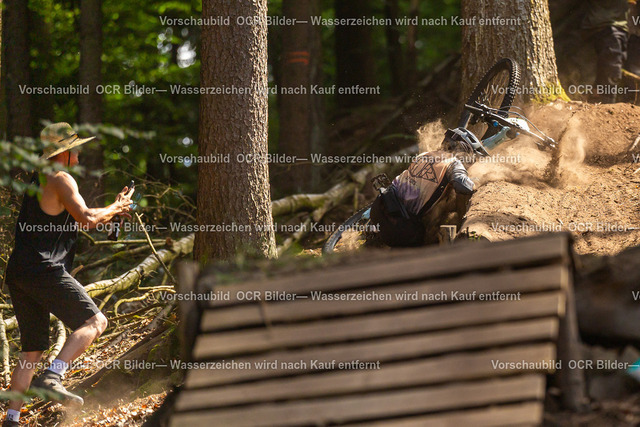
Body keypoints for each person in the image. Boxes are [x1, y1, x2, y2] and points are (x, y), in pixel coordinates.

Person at [2, 123, 134, 427]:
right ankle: (53, 375)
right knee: (96, 322)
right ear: (63, 153)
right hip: (43, 269)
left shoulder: (40, 179)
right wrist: (115, 205)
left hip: (20, 272)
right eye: (75, 149)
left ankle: (11, 419)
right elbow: (86, 218)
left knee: (31, 350)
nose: (78, 154)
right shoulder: (61, 178)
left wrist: (112, 213)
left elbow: (72, 219)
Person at [369, 128, 479, 247]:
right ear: (463, 150)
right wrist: (479, 181)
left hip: (379, 207)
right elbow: (463, 186)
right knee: (421, 239)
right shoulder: (453, 163)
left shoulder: (425, 154)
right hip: (399, 226)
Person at [582, 0, 631, 103]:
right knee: (612, 68)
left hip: (620, 26)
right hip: (604, 24)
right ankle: (604, 103)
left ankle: (599, 101)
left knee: (612, 68)